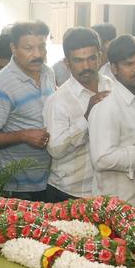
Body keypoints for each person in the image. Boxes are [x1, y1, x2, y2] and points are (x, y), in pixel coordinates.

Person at [0, 21, 55, 201]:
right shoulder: (1, 86)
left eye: (42, 47)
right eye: (29, 48)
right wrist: (24, 136)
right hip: (17, 187)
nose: (37, 54)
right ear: (13, 47)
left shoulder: (48, 73)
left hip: (51, 179)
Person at [43, 28, 111, 201]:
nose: (86, 66)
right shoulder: (58, 100)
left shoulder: (114, 88)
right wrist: (87, 119)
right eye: (79, 61)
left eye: (91, 58)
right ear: (67, 63)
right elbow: (55, 149)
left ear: (100, 57)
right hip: (68, 193)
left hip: (107, 191)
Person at [89, 35, 135, 215]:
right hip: (118, 206)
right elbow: (101, 159)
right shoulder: (107, 106)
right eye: (129, 64)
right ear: (114, 68)